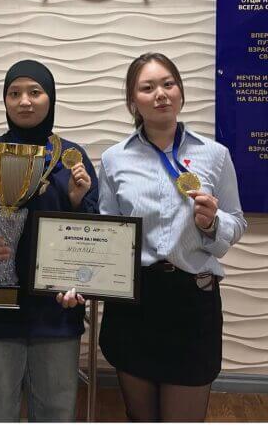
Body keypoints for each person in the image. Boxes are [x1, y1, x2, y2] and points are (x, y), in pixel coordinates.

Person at [98, 52, 247, 422]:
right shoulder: (114, 159)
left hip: (191, 302)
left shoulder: (215, 155)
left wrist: (213, 223)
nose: (161, 94)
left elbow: (237, 221)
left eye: (168, 84)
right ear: (133, 101)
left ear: (180, 91)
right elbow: (108, 232)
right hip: (134, 303)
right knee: (141, 418)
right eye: (147, 87)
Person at [0, 59, 99, 422]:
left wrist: (77, 202)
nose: (24, 101)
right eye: (14, 93)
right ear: (4, 100)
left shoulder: (72, 160)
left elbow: (95, 235)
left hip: (55, 312)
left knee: (56, 412)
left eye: (35, 92)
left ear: (51, 98)